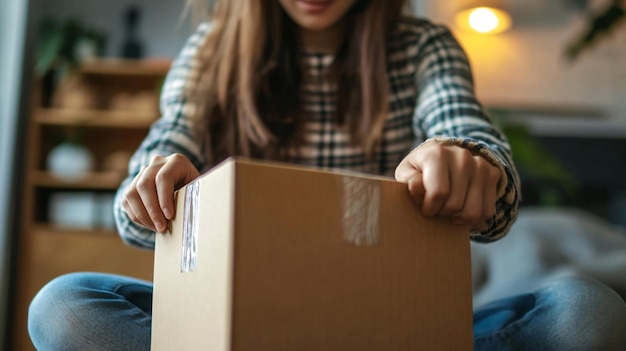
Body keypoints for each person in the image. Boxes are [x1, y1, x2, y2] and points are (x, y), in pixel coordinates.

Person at [27, 0, 626, 350]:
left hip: (399, 327)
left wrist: (472, 162)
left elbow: (469, 136)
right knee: (64, 307)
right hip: (244, 324)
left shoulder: (423, 46)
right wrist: (149, 187)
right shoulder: (210, 53)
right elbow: (142, 192)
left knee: (588, 312)